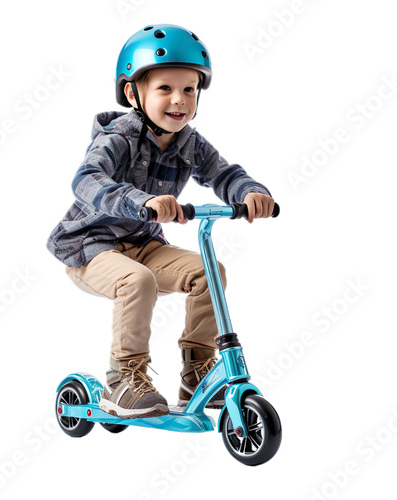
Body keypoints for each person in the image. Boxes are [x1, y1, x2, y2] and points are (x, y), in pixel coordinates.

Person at [46, 24, 275, 419]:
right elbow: (85, 180)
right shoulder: (118, 137)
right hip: (90, 247)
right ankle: (124, 377)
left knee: (210, 272)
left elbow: (222, 173)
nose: (179, 100)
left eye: (189, 89)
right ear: (134, 93)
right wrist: (142, 201)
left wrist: (249, 192)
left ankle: (198, 370)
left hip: (145, 244)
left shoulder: (190, 142)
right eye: (165, 89)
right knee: (138, 280)